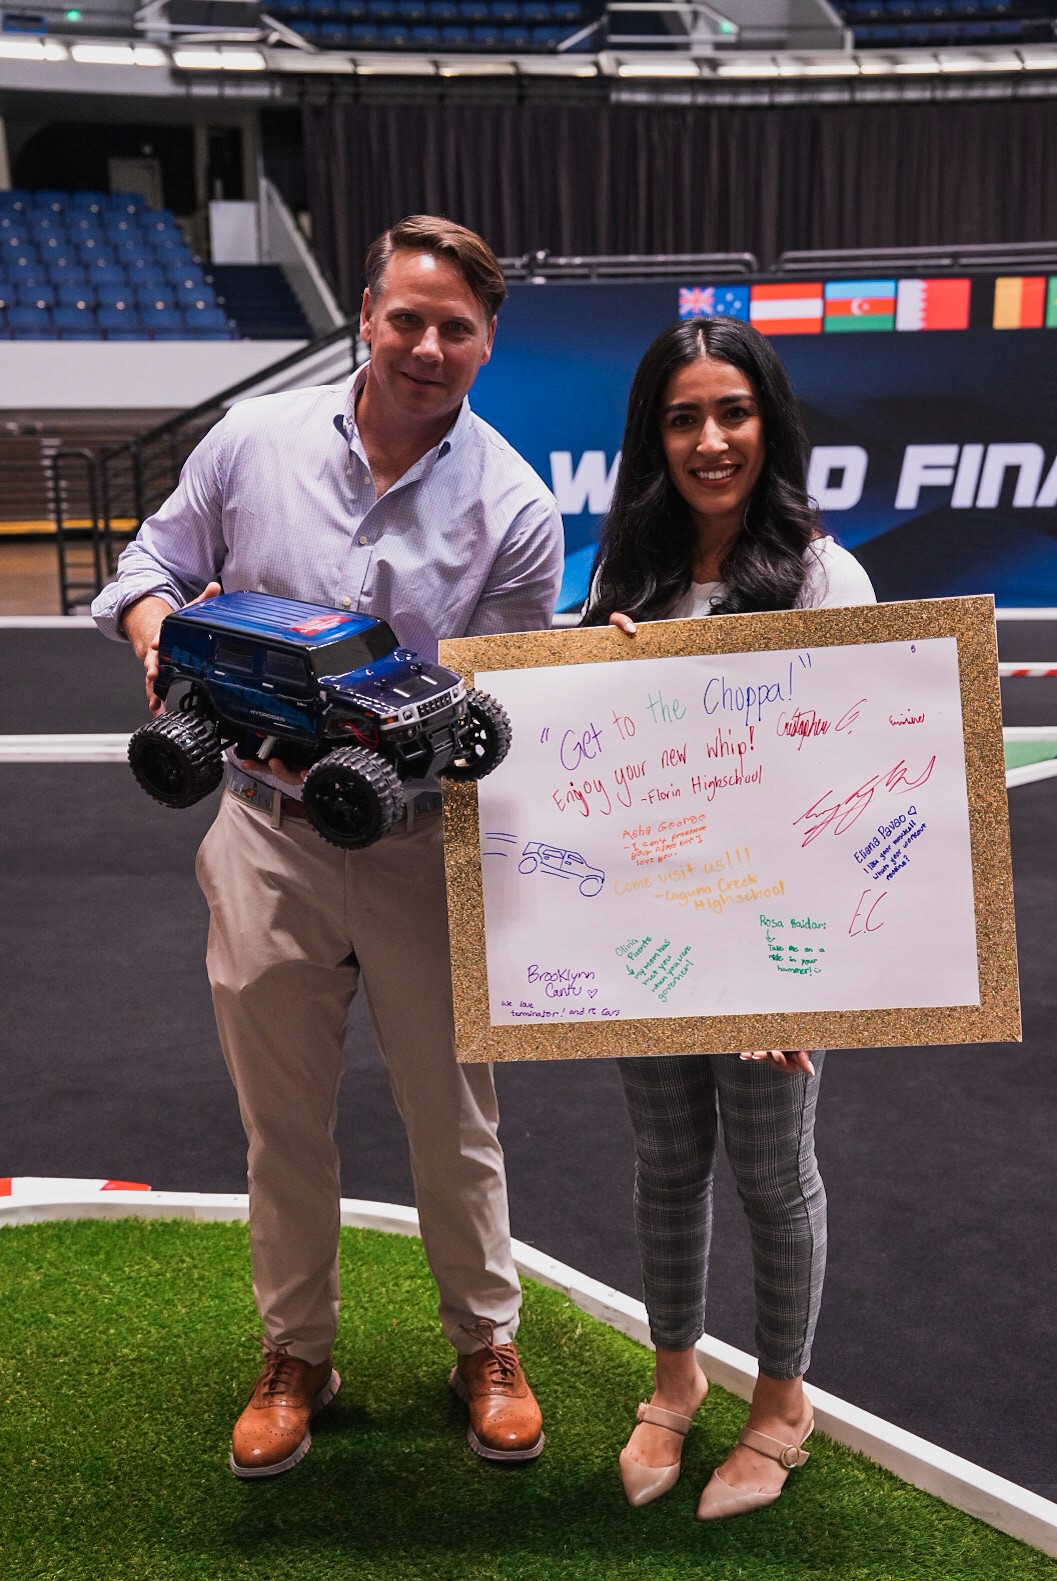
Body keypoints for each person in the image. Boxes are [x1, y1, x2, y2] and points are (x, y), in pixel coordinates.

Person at [93, 215, 564, 1478]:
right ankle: (297, 1349)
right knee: (280, 1115)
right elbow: (150, 562)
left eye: (453, 328)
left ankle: (486, 1342)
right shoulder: (254, 442)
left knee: (452, 1115)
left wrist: (403, 748)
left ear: (486, 342)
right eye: (405, 318)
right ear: (365, 315)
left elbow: (485, 704)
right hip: (260, 828)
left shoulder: (514, 505)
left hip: (416, 840)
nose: (425, 346)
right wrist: (158, 641)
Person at [581, 315, 876, 1520]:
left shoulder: (821, 574)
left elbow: (856, 783)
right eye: (684, 417)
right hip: (652, 935)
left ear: (770, 424)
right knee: (664, 1166)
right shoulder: (622, 575)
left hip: (771, 942)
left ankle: (781, 1401)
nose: (711, 440)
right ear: (655, 434)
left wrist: (803, 974)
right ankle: (674, 1378)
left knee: (768, 1169)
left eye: (733, 413)